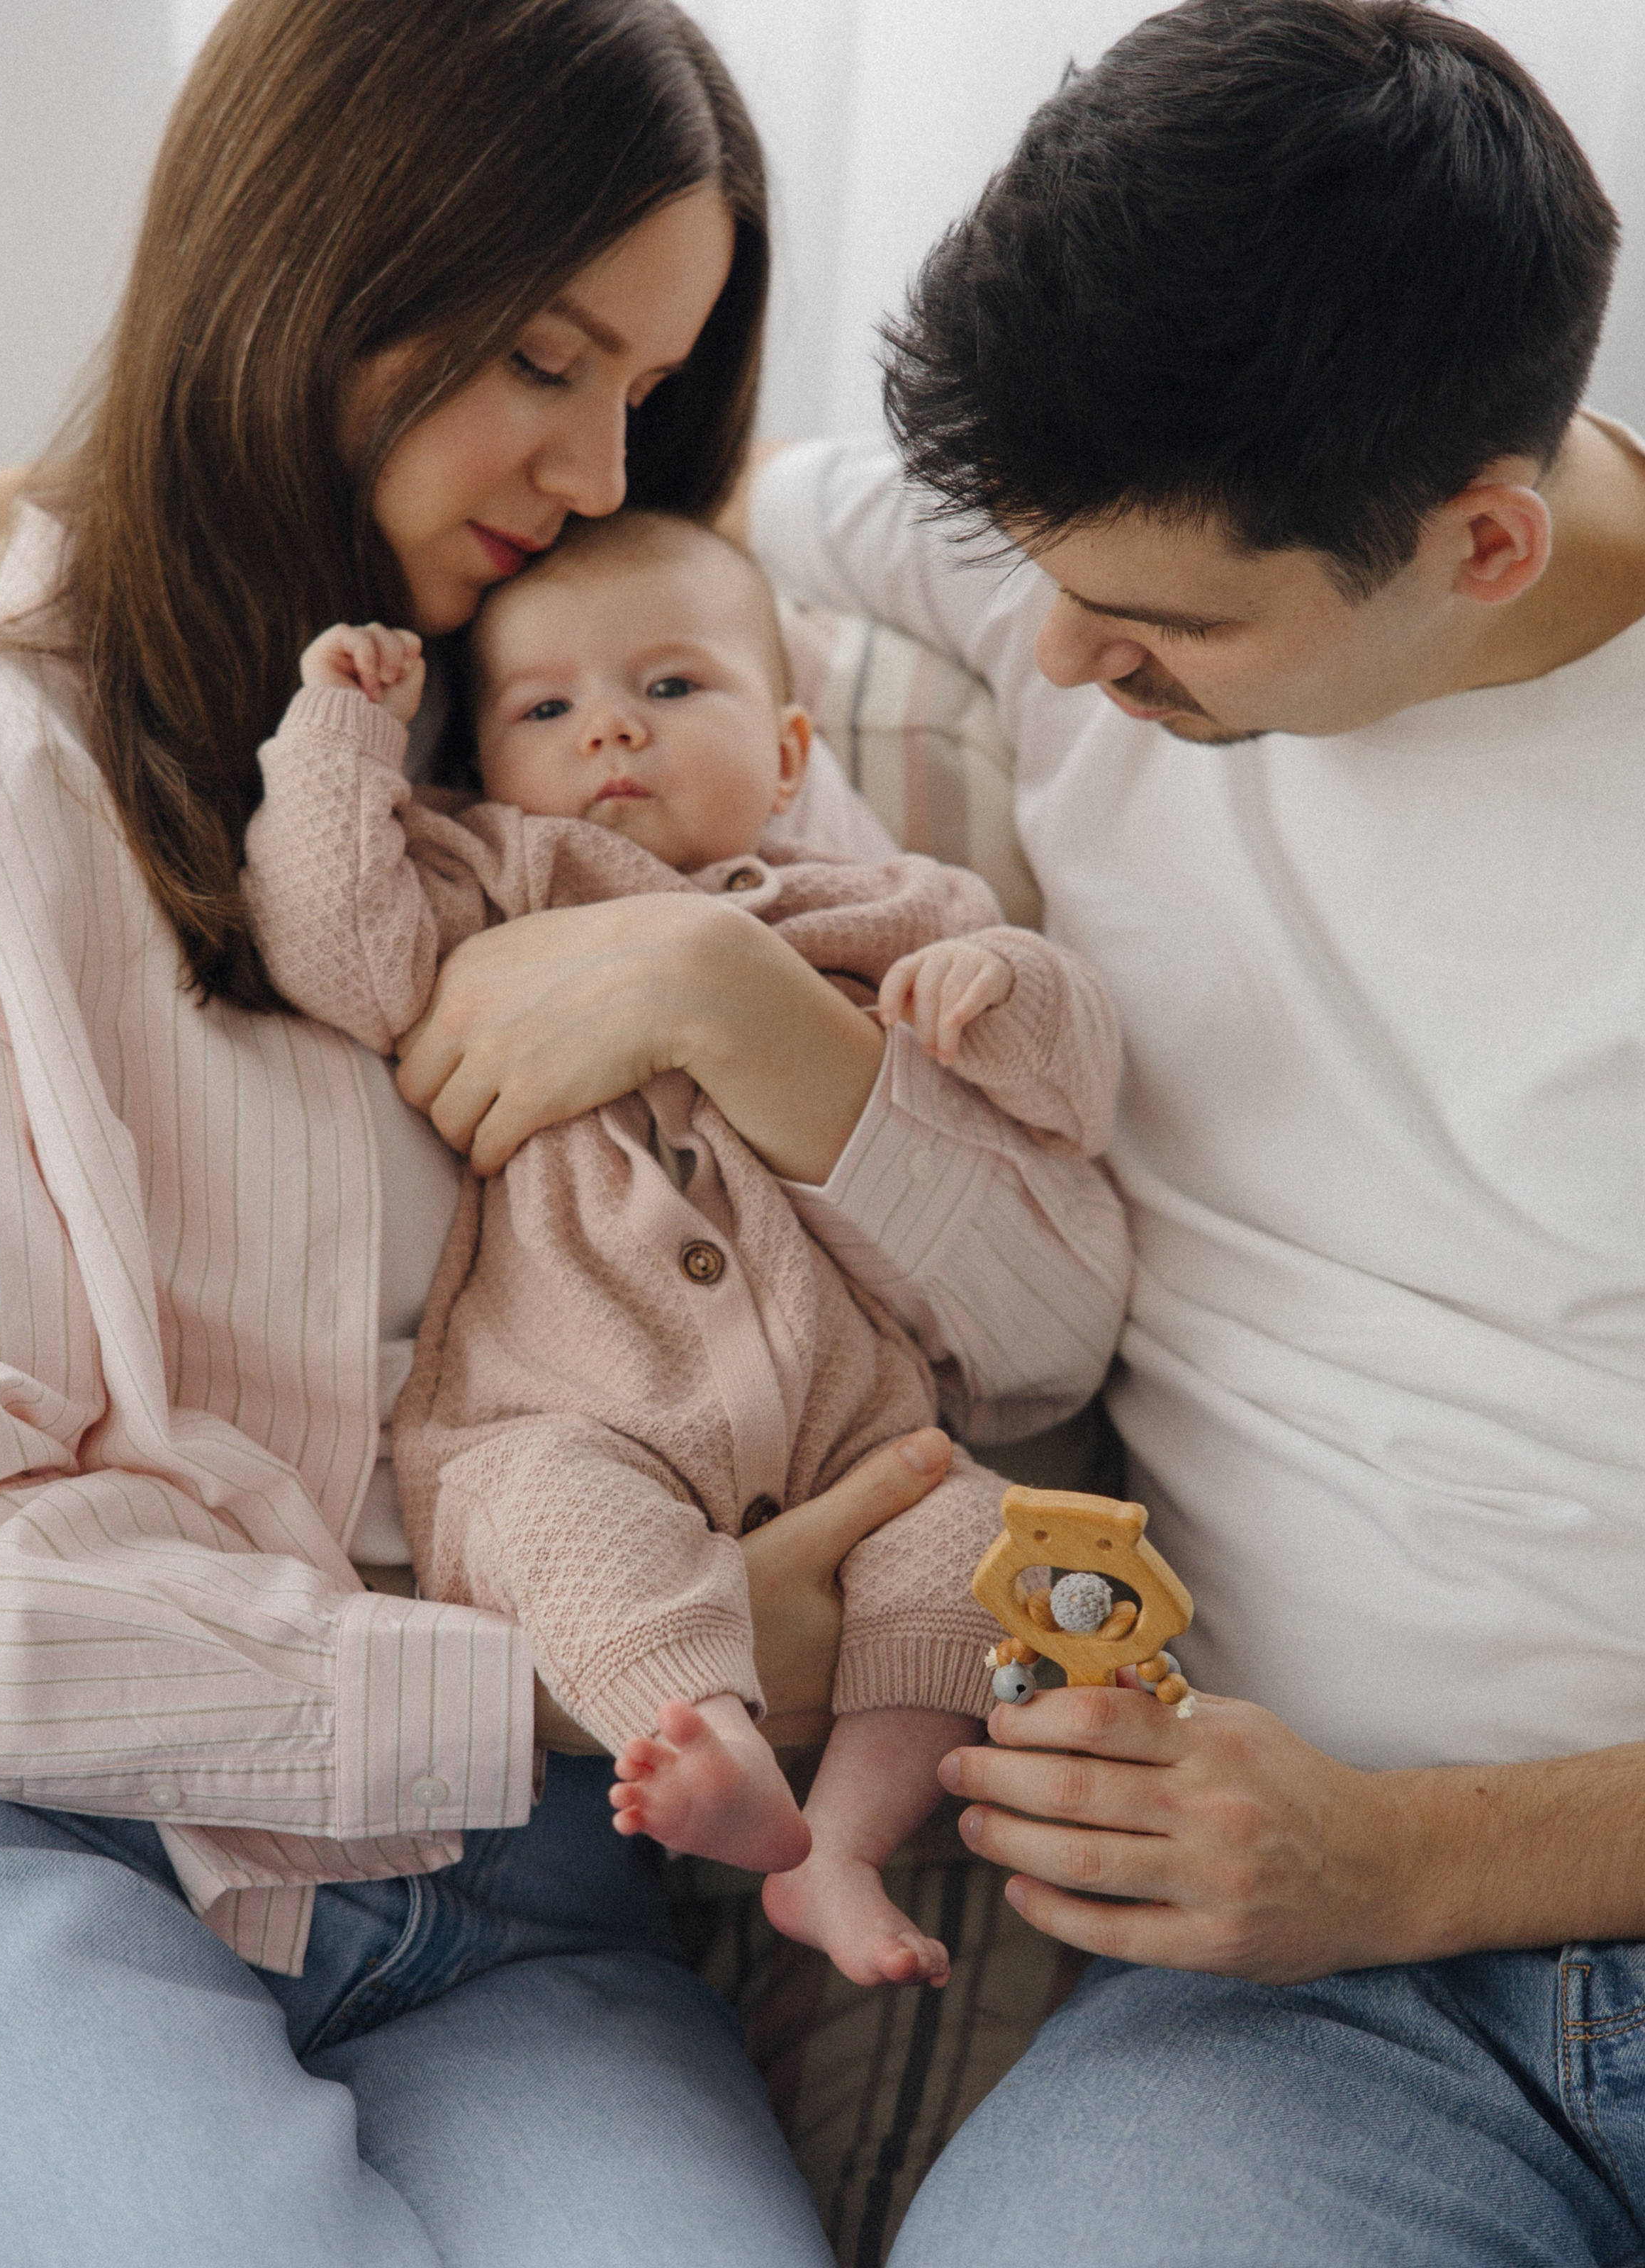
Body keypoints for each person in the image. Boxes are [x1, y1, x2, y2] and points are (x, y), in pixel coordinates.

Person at [0, 4, 1129, 2262]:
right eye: (546, 359)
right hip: (43, 1843)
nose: (589, 462)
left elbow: (1042, 1333)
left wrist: (729, 1003)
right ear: (314, 262)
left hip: (535, 1906)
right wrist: (564, 1671)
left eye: (642, 389)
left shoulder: (640, 732)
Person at [736, 1, 1645, 2258]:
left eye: (1160, 622)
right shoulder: (1109, 546)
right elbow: (585, 485)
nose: (1057, 664)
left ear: (1478, 541)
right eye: (1036, 568)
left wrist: (1420, 1863)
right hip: (1310, 2027)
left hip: (1413, 1877)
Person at [239, 507, 1125, 1987]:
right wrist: (340, 739)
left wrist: (1001, 988)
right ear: (482, 758)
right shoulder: (487, 874)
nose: (609, 735)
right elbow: (337, 951)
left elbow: (1072, 1078)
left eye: (668, 688)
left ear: (785, 755)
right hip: (568, 1408)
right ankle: (701, 1736)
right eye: (546, 706)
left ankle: (837, 1844)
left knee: (973, 1541)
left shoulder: (867, 908)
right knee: (550, 1516)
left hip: (857, 1436)